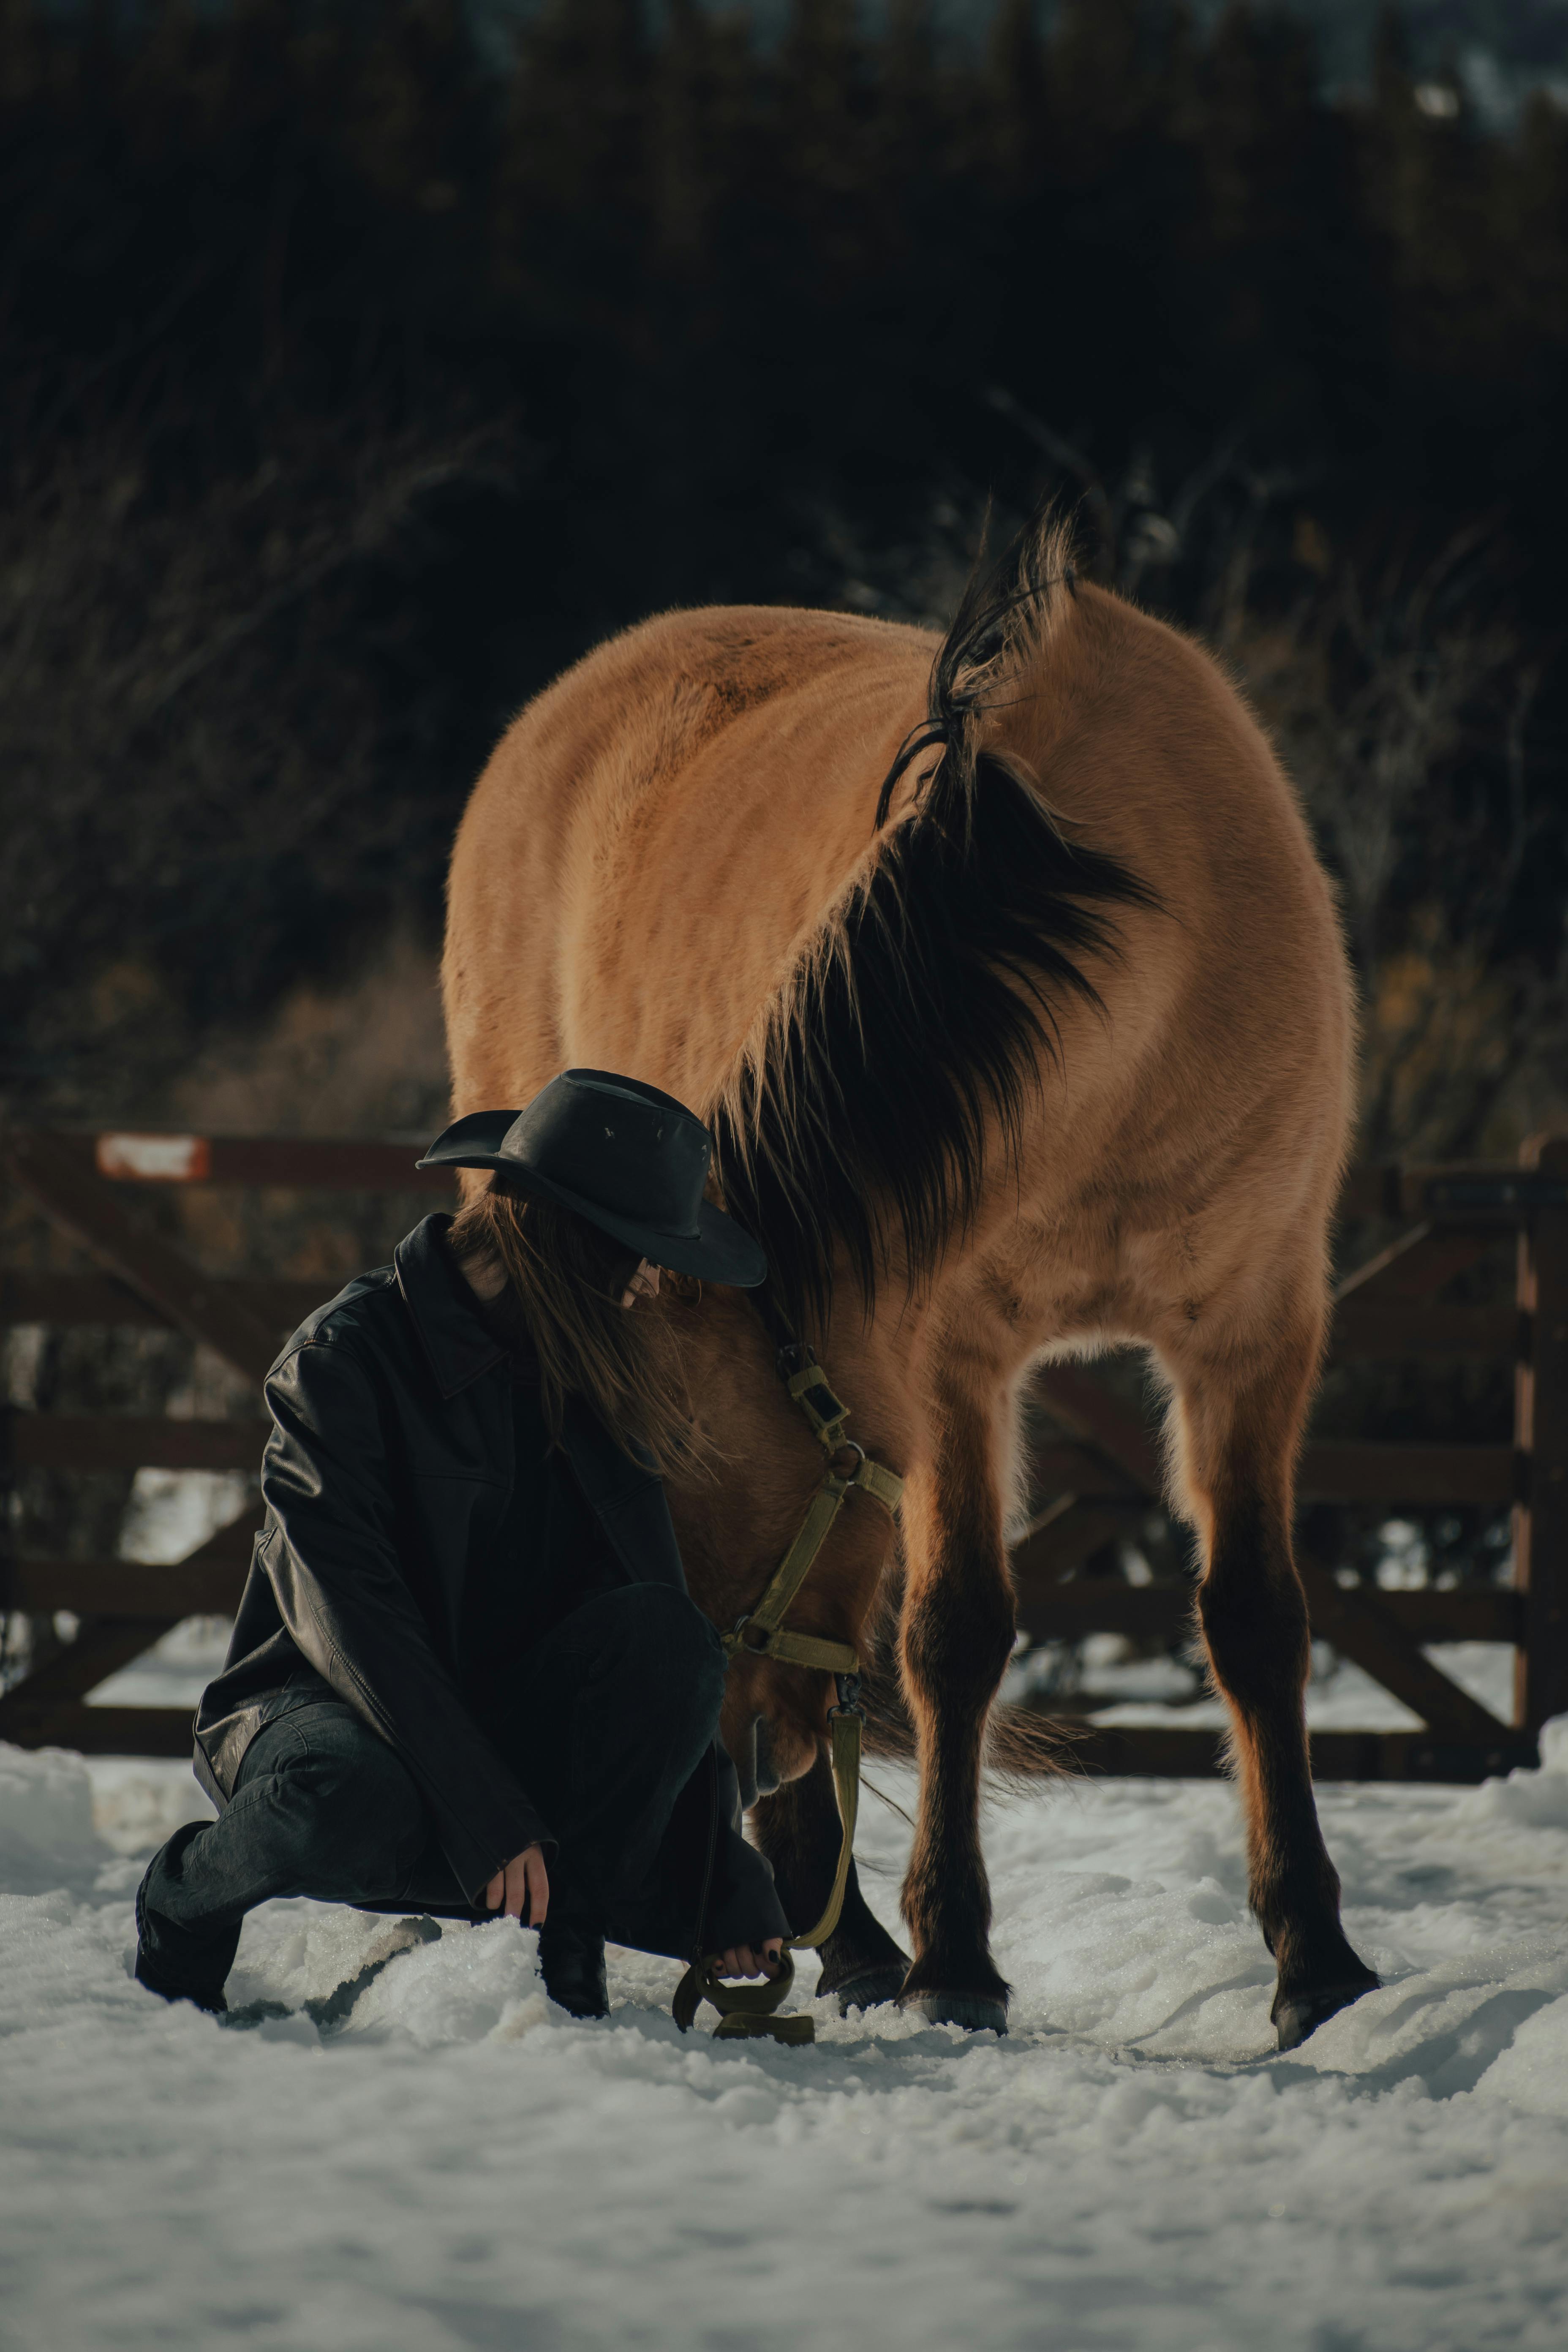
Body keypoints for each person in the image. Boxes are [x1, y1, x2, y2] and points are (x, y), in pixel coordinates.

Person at [134, 1070, 790, 2020]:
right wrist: (487, 1814)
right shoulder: (344, 1358)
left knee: (667, 1636)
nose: (654, 1281)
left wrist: (726, 1882)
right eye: (643, 1253)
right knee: (341, 1801)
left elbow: (661, 1651)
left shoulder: (598, 1386)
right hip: (323, 1706)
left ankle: (562, 1961)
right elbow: (352, 1617)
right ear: (570, 1237)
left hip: (502, 1724)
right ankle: (182, 1899)